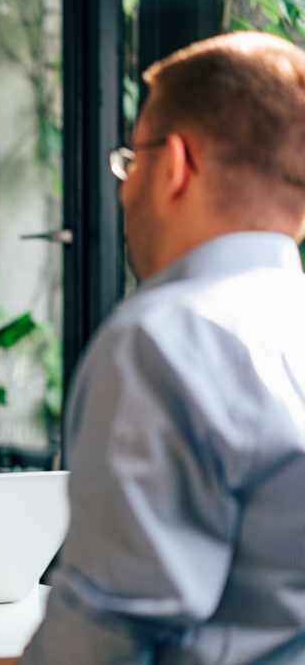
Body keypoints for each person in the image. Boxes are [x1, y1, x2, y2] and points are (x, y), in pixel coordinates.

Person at [20, 32, 305, 664]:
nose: (125, 187)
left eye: (133, 159)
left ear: (175, 164)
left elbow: (110, 629)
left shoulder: (164, 340)